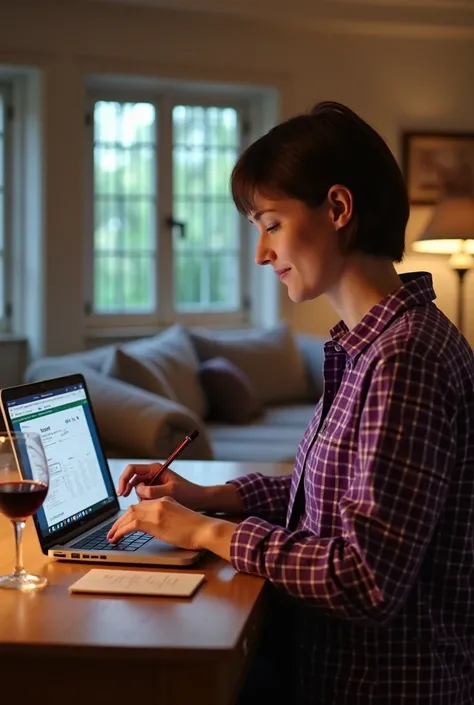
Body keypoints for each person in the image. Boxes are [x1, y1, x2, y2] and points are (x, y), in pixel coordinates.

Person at [107, 101, 474, 704]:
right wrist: (208, 498)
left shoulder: (404, 360)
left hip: (380, 687)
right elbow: (328, 498)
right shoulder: (367, 346)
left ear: (337, 209)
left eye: (271, 224)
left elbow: (364, 581)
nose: (260, 253)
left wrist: (206, 532)